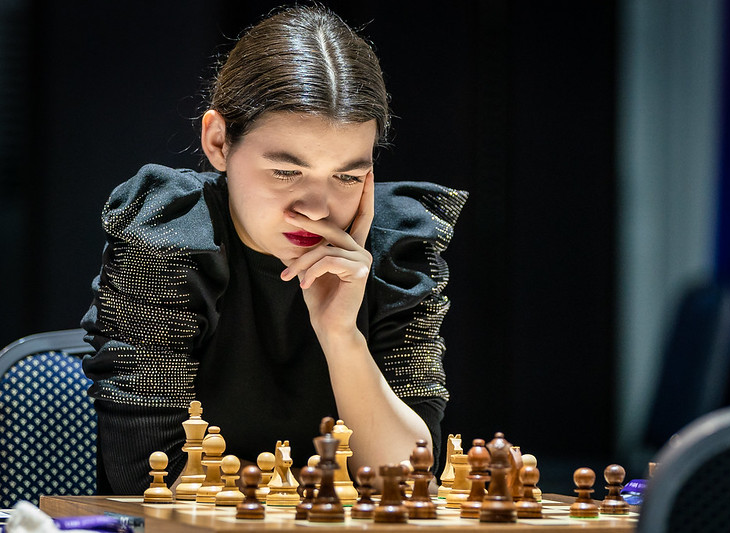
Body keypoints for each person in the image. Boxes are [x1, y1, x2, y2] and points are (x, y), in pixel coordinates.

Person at [81, 4, 467, 495]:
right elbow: (145, 480)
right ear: (218, 141)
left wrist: (341, 336)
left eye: (347, 176)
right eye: (286, 172)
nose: (316, 209)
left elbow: (408, 480)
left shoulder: (394, 250)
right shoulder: (167, 241)